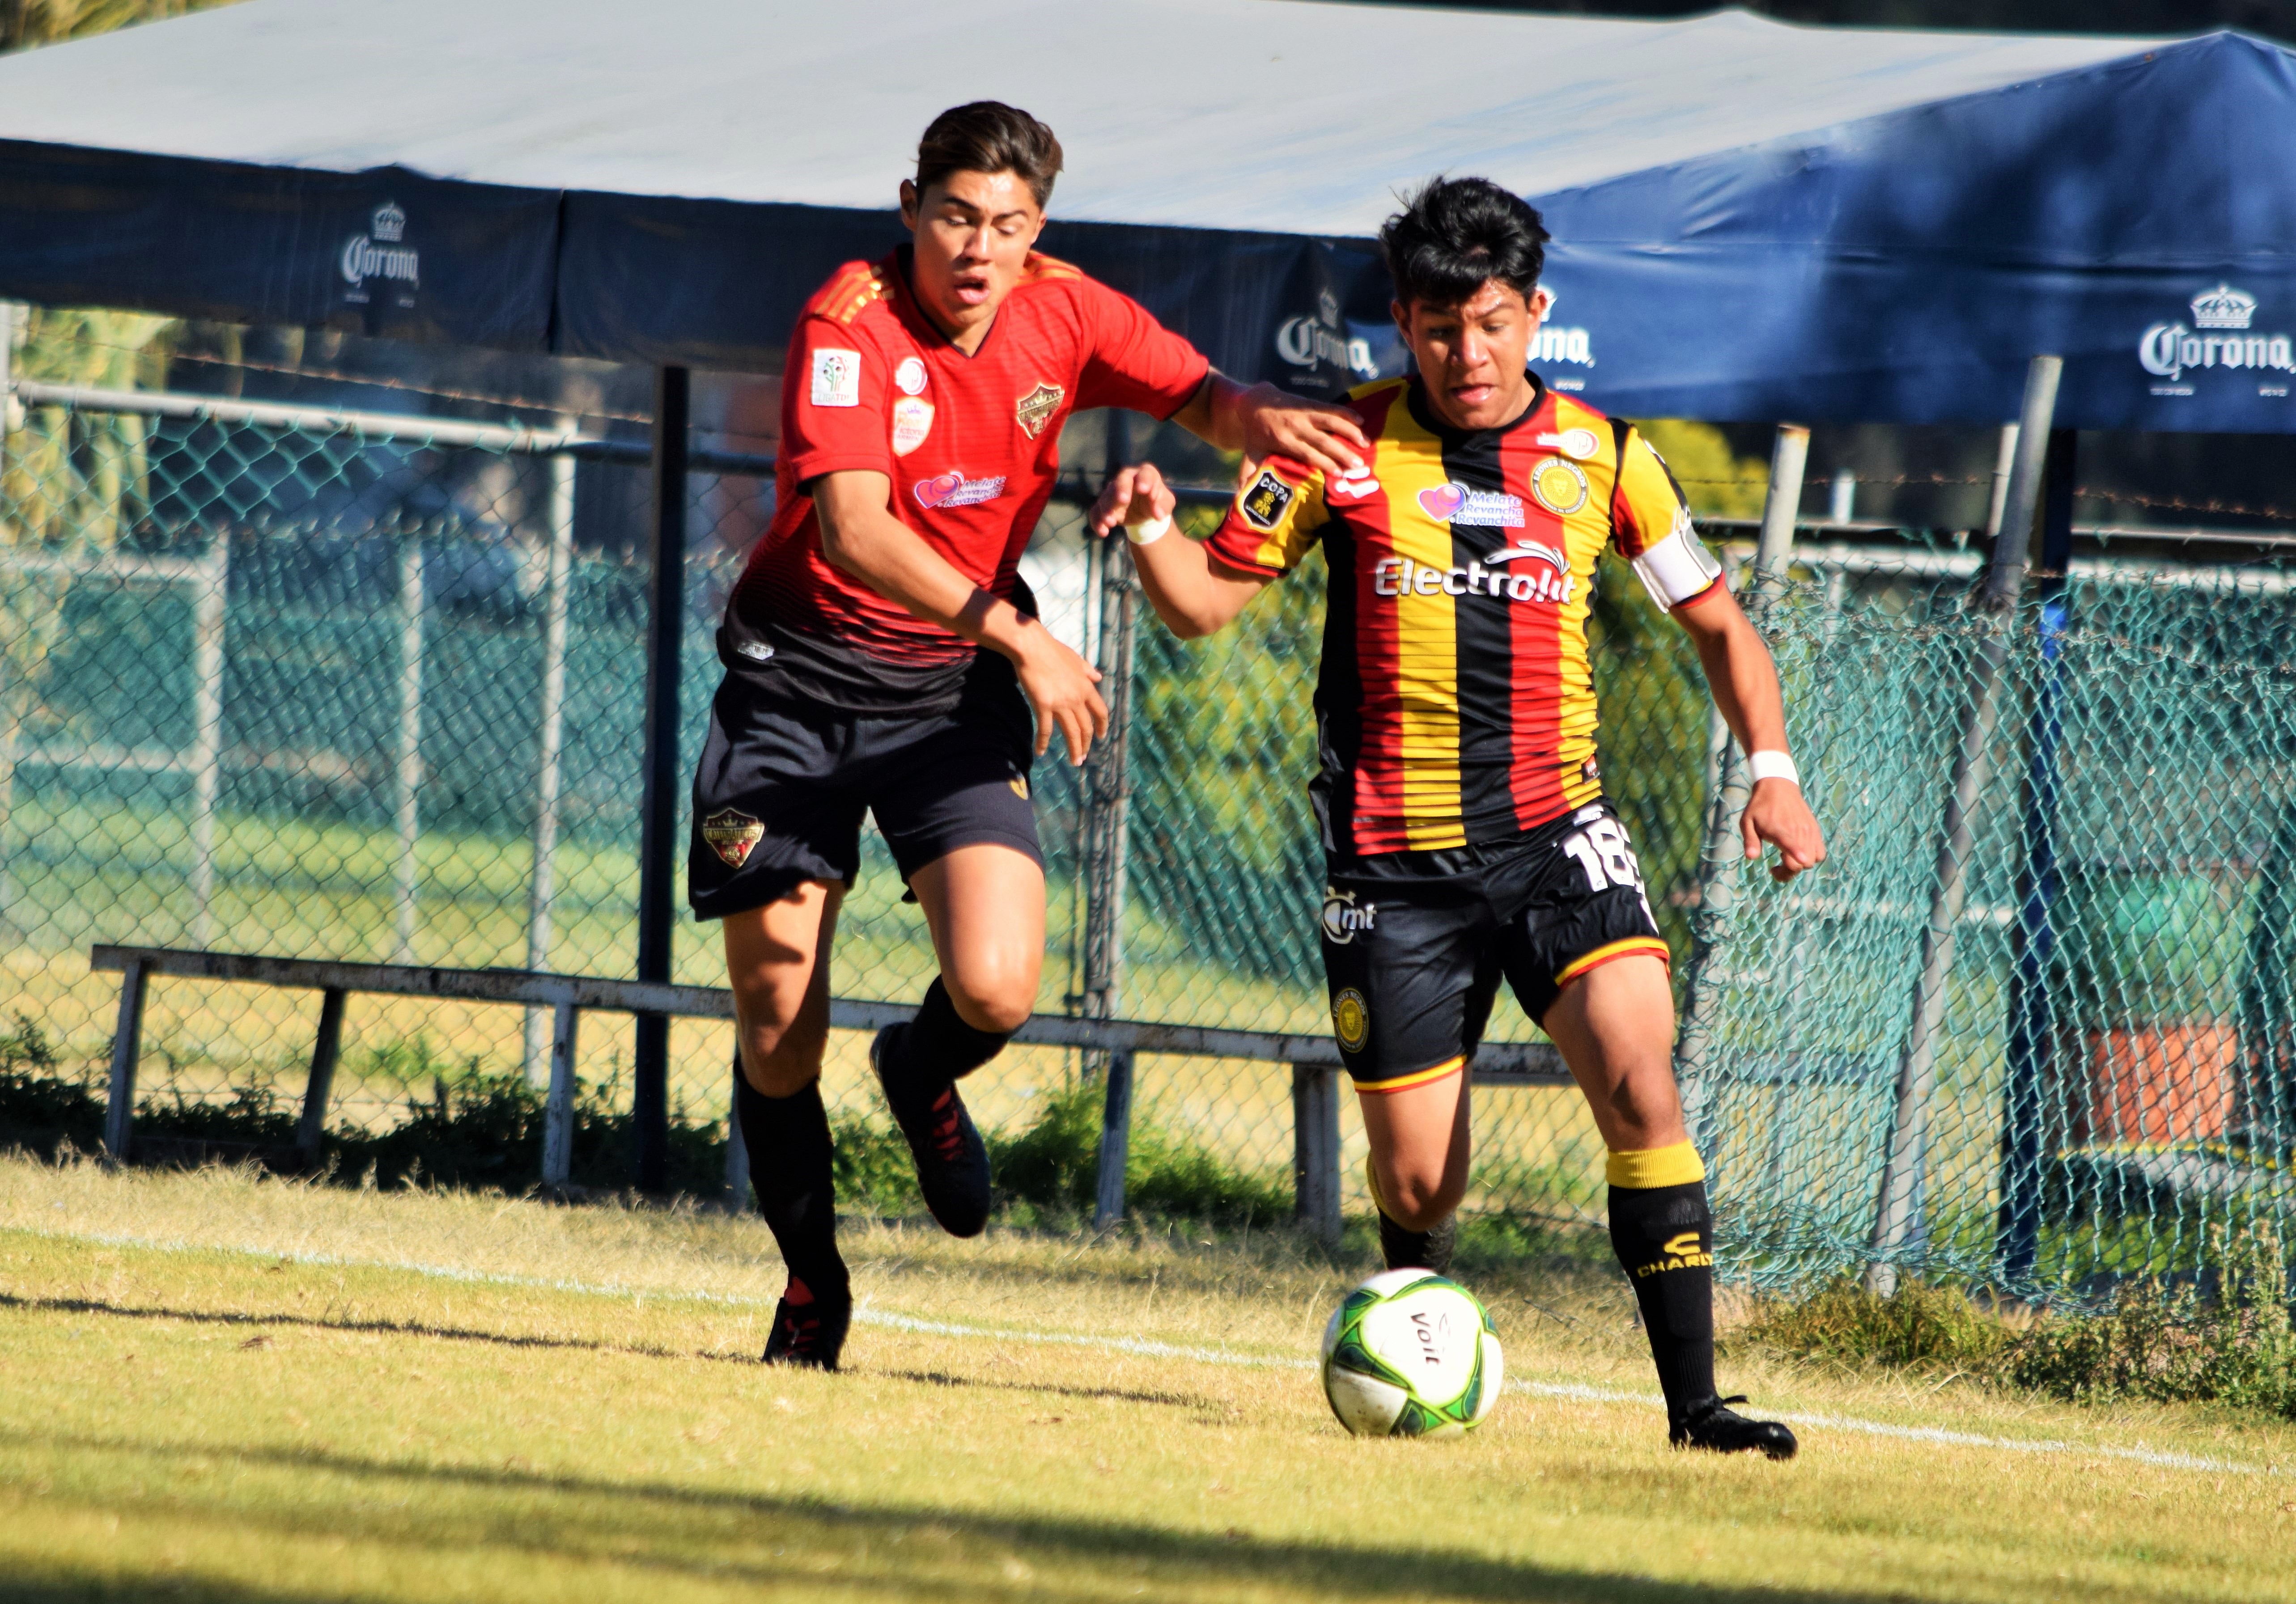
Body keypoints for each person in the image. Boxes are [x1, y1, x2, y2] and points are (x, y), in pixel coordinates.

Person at [1091, 177, 1826, 1457]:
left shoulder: (1606, 457)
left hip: (1559, 837)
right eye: (1437, 329)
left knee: (1644, 1083)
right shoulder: (1332, 446)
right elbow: (1205, 602)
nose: (1466, 355)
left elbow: (1718, 621)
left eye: (1489, 324)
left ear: (1534, 311)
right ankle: (1419, 1332)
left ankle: (1697, 1409)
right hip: (1394, 863)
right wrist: (1154, 528)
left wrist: (1773, 767)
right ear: (1399, 322)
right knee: (1423, 1180)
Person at [690, 101, 1367, 1371]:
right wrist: (1024, 635)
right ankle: (811, 1282)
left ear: (1037, 229)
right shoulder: (847, 324)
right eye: (955, 216)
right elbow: (854, 530)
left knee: (998, 986)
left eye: (1007, 224)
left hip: (948, 693)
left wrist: (1272, 419)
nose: (978, 248)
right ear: (910, 208)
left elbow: (1209, 397)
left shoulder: (1071, 309)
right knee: (777, 1009)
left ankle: (919, 1067)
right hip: (798, 686)